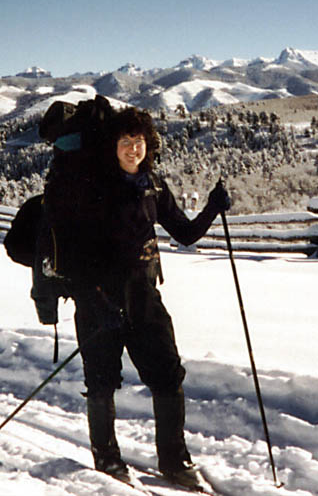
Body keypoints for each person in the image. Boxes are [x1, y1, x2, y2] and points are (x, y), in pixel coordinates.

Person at [68, 106, 231, 488]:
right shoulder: (93, 189)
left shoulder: (152, 186)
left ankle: (174, 459)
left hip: (144, 296)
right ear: (113, 145)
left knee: (168, 375)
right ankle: (107, 459)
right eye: (125, 141)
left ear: (148, 145)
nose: (132, 149)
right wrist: (97, 299)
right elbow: (77, 255)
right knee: (102, 381)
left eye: (138, 141)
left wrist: (211, 208)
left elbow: (185, 234)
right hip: (99, 302)